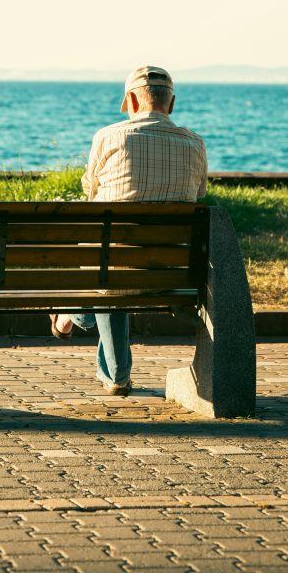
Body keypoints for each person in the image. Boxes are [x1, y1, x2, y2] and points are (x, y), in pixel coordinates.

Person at [50, 65, 208, 395]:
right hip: (171, 272)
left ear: (132, 102)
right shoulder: (195, 144)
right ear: (171, 104)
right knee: (113, 266)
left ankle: (81, 329)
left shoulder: (109, 137)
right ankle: (113, 374)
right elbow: (200, 194)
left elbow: (90, 190)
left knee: (110, 268)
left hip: (112, 268)